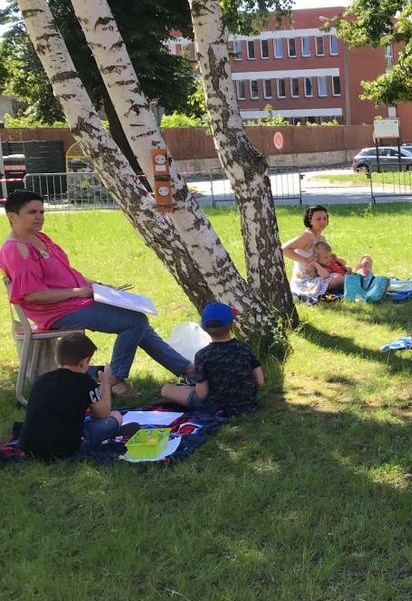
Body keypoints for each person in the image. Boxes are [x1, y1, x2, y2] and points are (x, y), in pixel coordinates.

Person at [0, 189, 192, 397]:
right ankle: (115, 379)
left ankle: (187, 370)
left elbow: (69, 274)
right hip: (56, 312)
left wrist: (100, 286)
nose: (39, 217)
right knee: (135, 322)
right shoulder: (16, 249)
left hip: (74, 302)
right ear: (12, 216)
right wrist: (78, 292)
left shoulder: (41, 238)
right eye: (32, 212)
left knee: (138, 322)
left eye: (42, 212)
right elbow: (32, 295)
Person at [19, 333, 140, 460]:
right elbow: (103, 413)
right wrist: (105, 383)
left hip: (30, 445)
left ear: (57, 358)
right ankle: (110, 433)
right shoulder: (86, 383)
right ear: (84, 362)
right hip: (66, 447)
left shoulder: (41, 380)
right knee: (115, 416)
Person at [160, 302, 263, 416]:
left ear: (203, 328)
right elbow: (260, 381)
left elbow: (201, 395)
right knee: (189, 388)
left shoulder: (202, 355)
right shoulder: (244, 348)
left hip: (214, 407)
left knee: (166, 389)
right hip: (247, 404)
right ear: (232, 325)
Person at [282, 205, 370, 298]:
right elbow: (284, 249)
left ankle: (358, 279)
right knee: (339, 278)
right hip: (306, 283)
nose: (322, 222)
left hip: (322, 276)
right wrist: (305, 260)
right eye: (318, 219)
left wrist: (342, 266)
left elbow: (326, 261)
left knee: (366, 259)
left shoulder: (322, 238)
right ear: (310, 220)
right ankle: (360, 281)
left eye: (325, 218)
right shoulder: (308, 236)